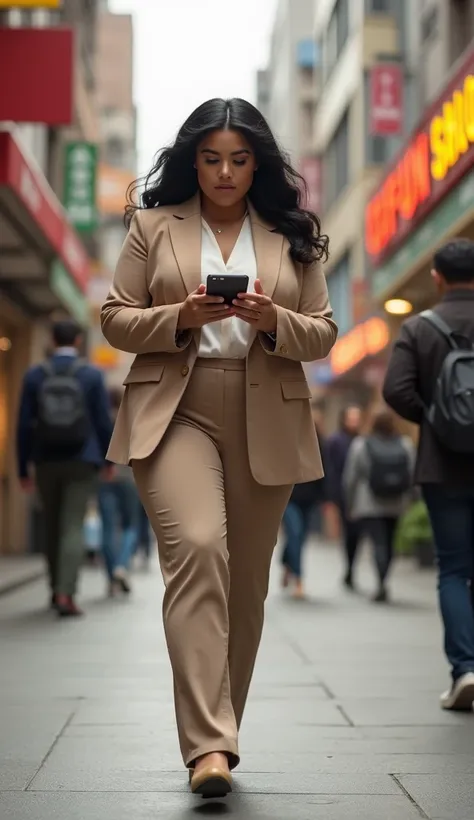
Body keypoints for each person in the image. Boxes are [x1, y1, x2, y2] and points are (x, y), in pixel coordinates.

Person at [100, 97, 337, 797]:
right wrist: (182, 315)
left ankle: (221, 722)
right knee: (199, 549)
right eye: (210, 159)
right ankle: (210, 745)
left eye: (238, 159)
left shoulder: (292, 233)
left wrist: (274, 320)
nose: (225, 172)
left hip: (268, 411)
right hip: (176, 407)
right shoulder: (152, 225)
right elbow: (115, 316)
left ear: (257, 161)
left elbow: (323, 332)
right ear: (191, 160)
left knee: (246, 586)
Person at [383, 238, 474, 711]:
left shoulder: (420, 327)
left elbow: (396, 391)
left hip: (443, 467)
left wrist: (436, 419)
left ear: (436, 277)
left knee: (454, 569)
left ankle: (465, 670)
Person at [16, 319, 113, 617]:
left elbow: (22, 425)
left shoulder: (35, 375)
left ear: (52, 339)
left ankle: (53, 588)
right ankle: (65, 593)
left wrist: (22, 467)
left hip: (45, 459)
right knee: (72, 525)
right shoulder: (91, 375)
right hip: (82, 459)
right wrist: (109, 459)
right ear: (80, 342)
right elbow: (102, 421)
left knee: (52, 525)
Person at [343, 408, 415, 603]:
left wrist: (349, 503)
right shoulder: (405, 444)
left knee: (378, 543)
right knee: (389, 542)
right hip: (396, 503)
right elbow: (412, 472)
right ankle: (384, 578)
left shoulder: (361, 444)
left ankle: (381, 582)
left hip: (369, 503)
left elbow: (351, 477)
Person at [98, 387, 140, 596]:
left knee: (107, 528)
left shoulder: (100, 421)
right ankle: (121, 566)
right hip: (128, 480)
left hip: (105, 479)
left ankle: (111, 577)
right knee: (130, 526)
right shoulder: (130, 419)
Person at [281, 421, 328, 598]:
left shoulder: (319, 445)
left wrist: (325, 498)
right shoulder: (286, 443)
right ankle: (299, 579)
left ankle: (287, 563)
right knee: (295, 533)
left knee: (300, 537)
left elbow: (324, 472)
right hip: (288, 499)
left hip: (309, 500)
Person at [326, 405, 363, 589]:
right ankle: (349, 567)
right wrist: (332, 496)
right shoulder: (335, 441)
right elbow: (331, 470)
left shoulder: (363, 440)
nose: (355, 422)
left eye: (357, 418)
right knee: (349, 532)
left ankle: (351, 567)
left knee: (356, 533)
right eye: (352, 418)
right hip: (343, 494)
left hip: (361, 496)